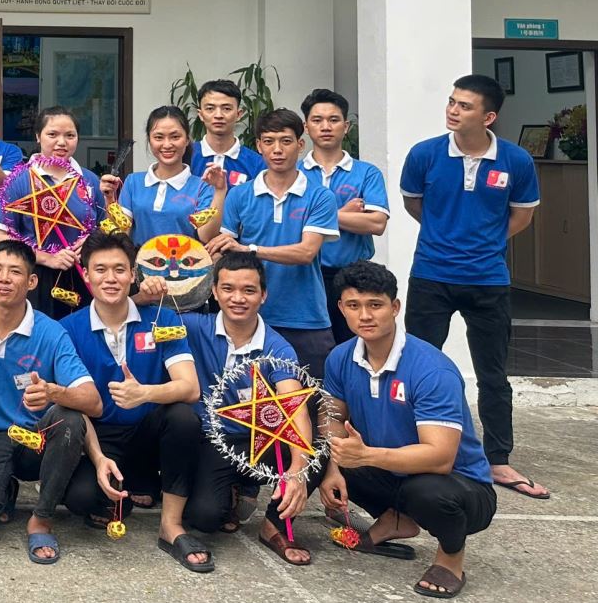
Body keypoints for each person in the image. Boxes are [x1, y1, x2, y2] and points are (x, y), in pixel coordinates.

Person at [400, 74, 545, 500]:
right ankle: (412, 447)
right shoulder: (425, 154)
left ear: (488, 117)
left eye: (464, 106)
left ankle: (498, 458)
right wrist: (445, 236)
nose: (453, 110)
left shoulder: (516, 160)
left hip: (488, 280)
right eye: (451, 102)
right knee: (417, 367)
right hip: (431, 275)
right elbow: (414, 203)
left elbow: (522, 215)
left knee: (493, 373)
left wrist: (485, 242)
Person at [320, 261, 498, 599]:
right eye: (354, 305)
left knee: (426, 492)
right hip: (391, 470)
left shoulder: (431, 370)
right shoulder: (340, 357)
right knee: (319, 455)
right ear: (341, 308)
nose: (365, 315)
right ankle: (396, 520)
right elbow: (332, 417)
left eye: (375, 304)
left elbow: (440, 458)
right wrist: (332, 468)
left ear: (395, 307)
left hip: (460, 486)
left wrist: (365, 456)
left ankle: (450, 559)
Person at [62, 231, 209, 573]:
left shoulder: (163, 319)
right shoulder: (68, 329)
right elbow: (72, 404)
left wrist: (145, 393)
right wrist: (97, 456)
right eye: (100, 270)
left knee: (183, 417)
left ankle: (170, 526)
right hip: (100, 436)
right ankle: (127, 488)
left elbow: (190, 388)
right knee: (80, 499)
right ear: (86, 275)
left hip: (148, 431)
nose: (110, 278)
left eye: (119, 269)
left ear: (133, 275)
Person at [0, 240, 96, 565]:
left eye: (15, 272)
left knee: (69, 417)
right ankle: (4, 489)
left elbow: (93, 400)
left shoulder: (51, 332)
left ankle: (42, 519)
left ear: (32, 282)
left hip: (37, 437)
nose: (4, 278)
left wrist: (54, 392)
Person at [181, 253, 316, 566]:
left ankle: (275, 524)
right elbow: (144, 317)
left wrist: (298, 470)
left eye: (249, 290)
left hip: (260, 442)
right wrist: (146, 294)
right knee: (204, 518)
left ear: (263, 295)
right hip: (214, 443)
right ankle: (234, 491)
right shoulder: (193, 326)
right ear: (214, 291)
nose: (238, 298)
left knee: (315, 450)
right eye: (228, 289)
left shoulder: (278, 347)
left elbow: (294, 406)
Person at [209, 109, 341, 378]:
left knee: (311, 397)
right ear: (259, 146)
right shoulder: (239, 195)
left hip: (306, 318)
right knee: (248, 398)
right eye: (268, 141)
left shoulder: (320, 196)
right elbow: (226, 251)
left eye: (286, 141)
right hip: (250, 317)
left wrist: (250, 249)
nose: (277, 149)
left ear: (300, 145)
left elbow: (306, 252)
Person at [0, 106, 103, 317]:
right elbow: (0, 238)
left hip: (83, 274)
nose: (61, 142)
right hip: (36, 278)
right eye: (52, 134)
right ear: (38, 136)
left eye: (70, 135)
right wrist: (46, 258)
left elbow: (105, 228)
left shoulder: (89, 180)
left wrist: (92, 241)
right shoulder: (18, 180)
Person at [300, 88, 390, 344]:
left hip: (352, 275)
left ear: (346, 126)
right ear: (306, 127)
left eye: (334, 120)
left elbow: (376, 223)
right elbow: (285, 223)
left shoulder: (366, 173)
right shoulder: (294, 173)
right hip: (304, 275)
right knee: (310, 347)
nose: (325, 127)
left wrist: (313, 217)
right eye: (317, 120)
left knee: (353, 346)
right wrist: (343, 214)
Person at [99, 105, 225, 251]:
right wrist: (110, 199)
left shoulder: (202, 186)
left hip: (187, 264)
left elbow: (206, 236)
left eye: (175, 137)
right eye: (159, 137)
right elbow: (121, 235)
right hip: (139, 263)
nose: (167, 144)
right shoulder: (133, 182)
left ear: (187, 139)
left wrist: (220, 190)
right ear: (149, 140)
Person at [188, 78, 267, 190]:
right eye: (210, 108)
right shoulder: (185, 157)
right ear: (200, 115)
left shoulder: (257, 164)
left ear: (239, 114)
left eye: (226, 108)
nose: (218, 115)